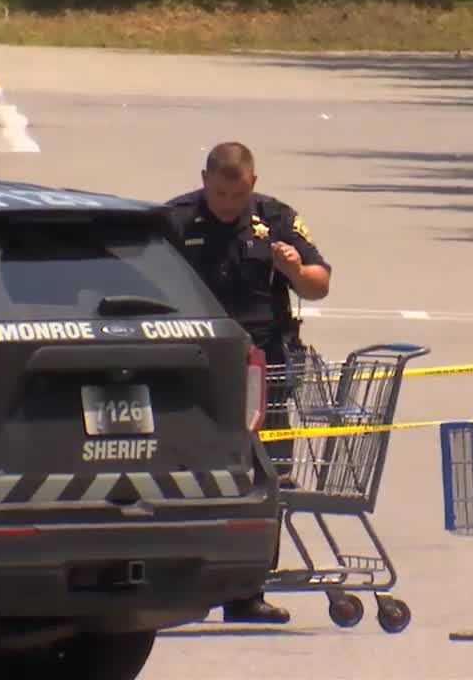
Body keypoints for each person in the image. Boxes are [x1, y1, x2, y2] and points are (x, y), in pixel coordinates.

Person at [164, 142, 332, 624]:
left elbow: (319, 284)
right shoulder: (174, 222)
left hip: (266, 364)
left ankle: (248, 591)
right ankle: (186, 588)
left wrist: (294, 270)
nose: (226, 204)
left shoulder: (275, 220)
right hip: (195, 366)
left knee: (268, 478)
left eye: (235, 195)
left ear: (251, 185)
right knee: (190, 475)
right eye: (218, 192)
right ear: (204, 179)